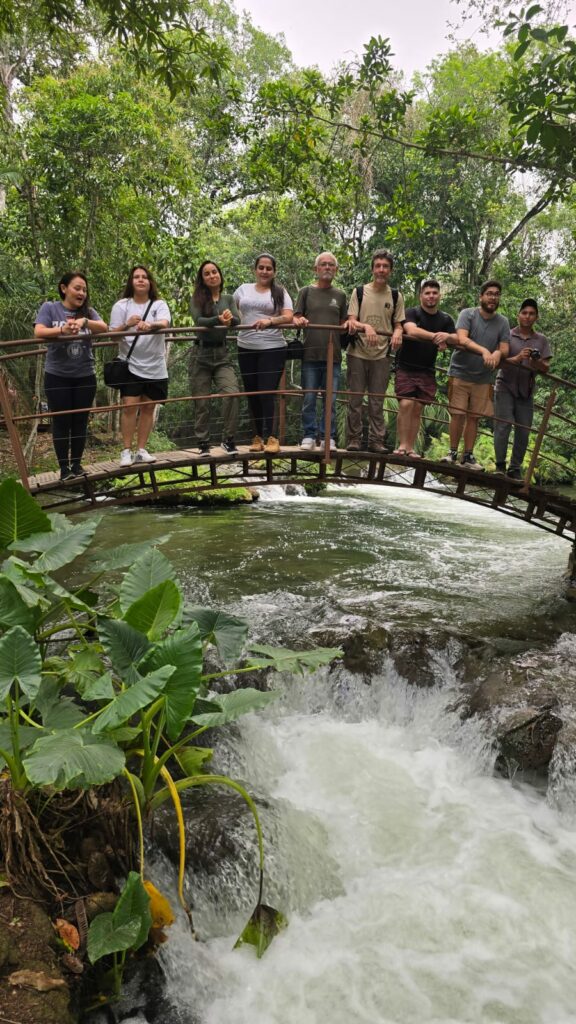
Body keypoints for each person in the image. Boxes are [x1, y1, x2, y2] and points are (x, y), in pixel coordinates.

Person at [34, 272, 107, 481]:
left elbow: (104, 327)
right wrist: (62, 330)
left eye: (84, 289)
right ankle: (64, 468)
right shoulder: (50, 308)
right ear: (64, 288)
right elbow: (38, 332)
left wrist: (85, 322)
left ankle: (76, 464)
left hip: (85, 375)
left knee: (80, 421)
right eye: (77, 288)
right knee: (61, 421)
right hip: (57, 375)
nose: (82, 293)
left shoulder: (88, 312)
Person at [444, 280, 510, 470]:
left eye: (496, 294)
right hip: (460, 372)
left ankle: (468, 456)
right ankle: (452, 453)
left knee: (474, 417)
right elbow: (462, 339)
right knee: (457, 414)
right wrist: (484, 351)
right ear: (481, 296)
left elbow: (504, 348)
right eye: (489, 293)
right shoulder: (468, 314)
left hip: (484, 377)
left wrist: (497, 353)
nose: (493, 297)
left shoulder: (503, 322)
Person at [109, 265, 171, 466]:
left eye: (145, 277)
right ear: (131, 282)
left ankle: (141, 449)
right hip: (131, 365)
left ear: (150, 282)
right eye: (136, 277)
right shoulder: (121, 306)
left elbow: (164, 323)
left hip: (155, 366)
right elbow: (112, 337)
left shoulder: (159, 304)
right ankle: (126, 450)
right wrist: (127, 324)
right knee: (129, 408)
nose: (141, 280)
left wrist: (149, 325)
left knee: (148, 408)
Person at [345, 248, 405, 453]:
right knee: (354, 399)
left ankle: (376, 441)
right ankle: (353, 439)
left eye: (385, 266)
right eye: (378, 266)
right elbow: (351, 320)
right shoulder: (360, 292)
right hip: (357, 353)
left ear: (390, 270)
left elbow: (398, 323)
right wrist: (366, 326)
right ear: (372, 269)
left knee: (377, 400)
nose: (381, 270)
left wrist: (398, 331)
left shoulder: (396, 296)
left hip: (382, 355)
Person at [234, 253, 293, 453]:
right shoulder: (243, 289)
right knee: (252, 393)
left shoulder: (280, 292)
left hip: (273, 348)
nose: (264, 271)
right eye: (261, 267)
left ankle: (272, 437)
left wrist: (270, 321)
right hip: (245, 347)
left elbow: (288, 317)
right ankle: (257, 437)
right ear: (255, 269)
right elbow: (233, 312)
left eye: (268, 268)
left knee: (267, 392)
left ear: (274, 271)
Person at [392, 280, 457, 457]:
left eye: (434, 293)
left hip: (427, 369)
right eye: (427, 293)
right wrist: (438, 338)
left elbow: (457, 338)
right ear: (421, 295)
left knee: (418, 408)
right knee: (406, 404)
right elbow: (412, 331)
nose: (431, 296)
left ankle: (411, 448)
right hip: (406, 365)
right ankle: (402, 445)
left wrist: (448, 338)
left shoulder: (445, 319)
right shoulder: (412, 312)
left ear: (439, 296)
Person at [293, 252, 350, 450]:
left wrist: (350, 323)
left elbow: (344, 321)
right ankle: (309, 435)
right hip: (310, 354)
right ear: (316, 269)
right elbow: (296, 316)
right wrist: (298, 320)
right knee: (309, 397)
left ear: (336, 269)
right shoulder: (306, 292)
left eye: (331, 265)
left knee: (330, 400)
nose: (327, 267)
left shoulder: (340, 295)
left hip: (332, 357)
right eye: (323, 264)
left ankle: (328, 437)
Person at [493, 298, 551, 480]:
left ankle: (515, 467)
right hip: (505, 385)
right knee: (503, 425)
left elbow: (546, 367)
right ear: (518, 315)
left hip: (526, 390)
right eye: (524, 313)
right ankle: (500, 465)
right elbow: (498, 363)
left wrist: (535, 361)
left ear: (537, 317)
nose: (527, 316)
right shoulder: (507, 335)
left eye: (531, 313)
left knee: (524, 430)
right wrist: (517, 358)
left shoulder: (541, 340)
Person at [190, 261, 241, 454]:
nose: (212, 276)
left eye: (214, 272)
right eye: (207, 273)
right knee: (202, 401)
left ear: (220, 274)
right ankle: (203, 442)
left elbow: (237, 320)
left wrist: (229, 320)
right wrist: (218, 320)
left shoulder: (228, 298)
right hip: (201, 355)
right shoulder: (197, 298)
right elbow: (198, 320)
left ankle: (228, 439)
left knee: (232, 394)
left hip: (222, 355)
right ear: (202, 279)